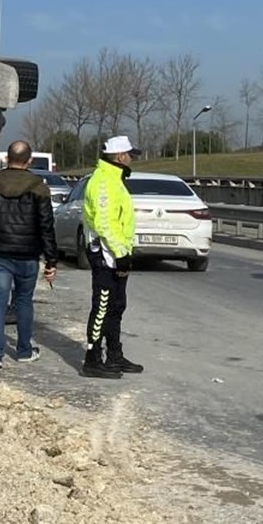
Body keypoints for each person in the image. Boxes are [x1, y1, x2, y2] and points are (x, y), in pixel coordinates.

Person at [0, 140, 59, 373]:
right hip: (28, 255)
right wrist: (51, 261)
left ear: (6, 159)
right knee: (24, 301)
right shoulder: (39, 187)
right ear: (29, 161)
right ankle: (24, 351)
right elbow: (47, 226)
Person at [81, 135, 144, 379]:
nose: (131, 159)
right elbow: (104, 223)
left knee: (117, 306)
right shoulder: (104, 182)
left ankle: (114, 355)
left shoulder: (114, 179)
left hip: (116, 252)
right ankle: (92, 359)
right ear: (119, 157)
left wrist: (124, 253)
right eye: (129, 154)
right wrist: (119, 254)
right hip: (105, 253)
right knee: (103, 307)